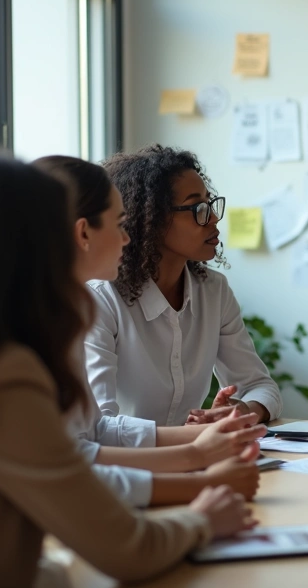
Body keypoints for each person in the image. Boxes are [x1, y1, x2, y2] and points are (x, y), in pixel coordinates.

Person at [0, 153, 256, 586]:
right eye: (120, 223)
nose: (128, 238)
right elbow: (125, 547)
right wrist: (203, 513)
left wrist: (197, 453)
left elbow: (80, 444)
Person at [35, 155, 264, 508]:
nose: (127, 236)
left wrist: (210, 435)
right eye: (120, 223)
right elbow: (71, 464)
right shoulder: (70, 314)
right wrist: (197, 468)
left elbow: (91, 435)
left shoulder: (60, 314)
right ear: (83, 233)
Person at [84, 145, 282, 428]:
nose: (213, 218)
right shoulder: (101, 300)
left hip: (194, 451)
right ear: (150, 218)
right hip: (127, 458)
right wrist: (194, 441)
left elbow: (260, 386)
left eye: (210, 204)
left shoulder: (214, 291)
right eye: (197, 208)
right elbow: (99, 425)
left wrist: (243, 411)